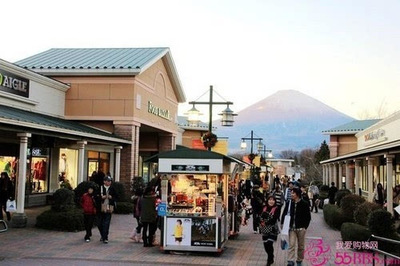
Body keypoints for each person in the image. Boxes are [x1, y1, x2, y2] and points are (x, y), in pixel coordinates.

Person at [281, 187, 311, 266]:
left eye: (293, 193)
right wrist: (282, 223)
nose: (291, 194)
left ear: (297, 194)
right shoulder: (289, 203)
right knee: (291, 245)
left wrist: (305, 227)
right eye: (291, 193)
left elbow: (308, 217)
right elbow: (284, 214)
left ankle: (299, 260)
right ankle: (290, 261)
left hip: (301, 228)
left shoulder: (304, 204)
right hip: (292, 229)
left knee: (301, 246)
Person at [96, 175, 117, 244]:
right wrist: (102, 197)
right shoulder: (100, 188)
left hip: (109, 207)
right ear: (104, 181)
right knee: (99, 223)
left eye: (110, 181)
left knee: (106, 223)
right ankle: (103, 235)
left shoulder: (112, 188)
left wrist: (111, 198)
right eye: (108, 181)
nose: (109, 182)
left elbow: (116, 197)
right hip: (101, 208)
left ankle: (105, 237)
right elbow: (96, 198)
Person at [260, 195, 280, 266]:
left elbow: (274, 219)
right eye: (270, 200)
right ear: (267, 200)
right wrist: (260, 222)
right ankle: (271, 256)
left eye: (273, 200)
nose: (271, 201)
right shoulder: (264, 208)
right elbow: (260, 216)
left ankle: (269, 260)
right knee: (266, 246)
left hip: (273, 229)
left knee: (269, 243)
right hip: (264, 230)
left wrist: (265, 222)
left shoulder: (276, 209)